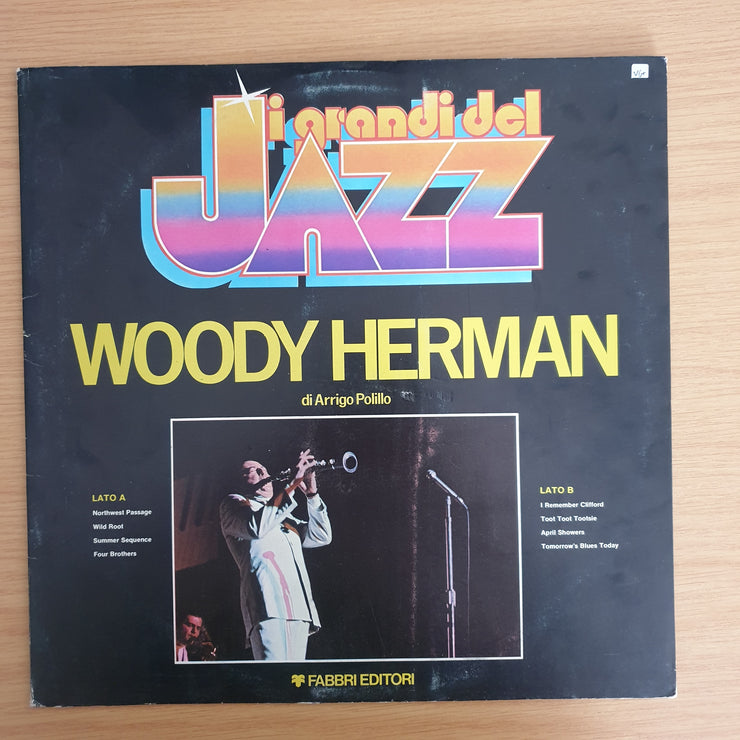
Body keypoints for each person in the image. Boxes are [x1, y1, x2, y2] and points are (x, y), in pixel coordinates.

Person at [219, 448, 332, 660]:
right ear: (240, 482)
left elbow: (322, 536)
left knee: (293, 677)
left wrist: (312, 495)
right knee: (274, 674)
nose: (262, 473)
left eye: (263, 469)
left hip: (298, 607)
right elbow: (255, 527)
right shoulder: (234, 504)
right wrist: (292, 486)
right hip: (266, 604)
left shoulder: (284, 514)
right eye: (252, 470)